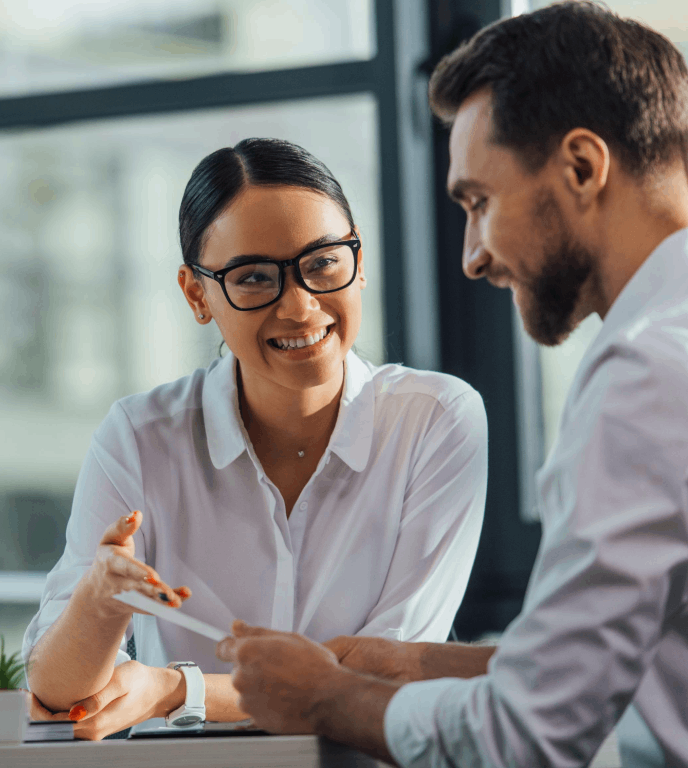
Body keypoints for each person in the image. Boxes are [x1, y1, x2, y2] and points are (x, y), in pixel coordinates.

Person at [217, 4, 688, 767]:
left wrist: (327, 699)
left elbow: (529, 735)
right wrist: (426, 664)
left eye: (478, 202)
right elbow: (648, 663)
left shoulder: (644, 375)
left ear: (581, 166)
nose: (472, 255)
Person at [21, 138, 488, 740]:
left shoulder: (437, 419)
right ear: (197, 295)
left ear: (359, 259)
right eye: (254, 278)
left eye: (323, 263)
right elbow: (56, 692)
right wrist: (99, 603)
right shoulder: (139, 437)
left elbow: (386, 671)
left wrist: (176, 689)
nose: (299, 306)